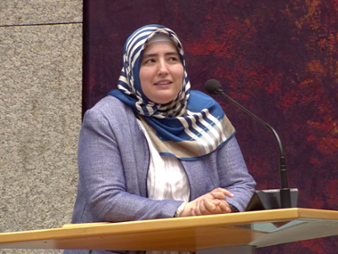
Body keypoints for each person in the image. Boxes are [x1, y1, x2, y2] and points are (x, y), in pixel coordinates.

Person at [64, 24, 256, 254]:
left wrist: (219, 207)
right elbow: (106, 199)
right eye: (150, 61)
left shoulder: (205, 113)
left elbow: (241, 183)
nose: (163, 69)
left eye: (172, 59)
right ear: (132, 69)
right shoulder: (105, 119)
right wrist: (183, 211)